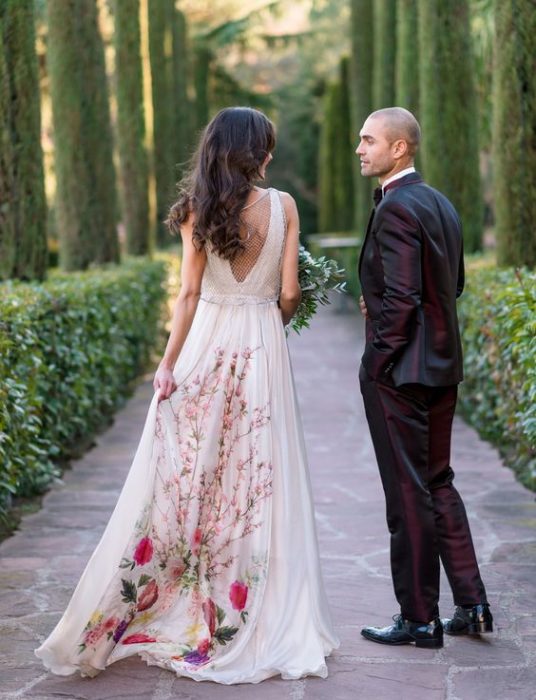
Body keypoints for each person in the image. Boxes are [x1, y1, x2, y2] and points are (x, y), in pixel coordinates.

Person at [35, 107, 338, 683]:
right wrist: (276, 314)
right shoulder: (285, 207)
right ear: (255, 152)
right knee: (258, 471)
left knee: (194, 472)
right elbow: (291, 291)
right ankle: (260, 607)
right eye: (267, 146)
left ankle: (179, 592)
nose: (270, 155)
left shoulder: (197, 211)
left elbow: (188, 295)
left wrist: (167, 366)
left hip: (209, 342)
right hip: (262, 349)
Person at [356, 107, 492, 648]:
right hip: (441, 367)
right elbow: (450, 286)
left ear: (400, 149)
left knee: (407, 493)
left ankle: (419, 618)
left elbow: (405, 299)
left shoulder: (395, 208)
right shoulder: (440, 203)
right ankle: (473, 605)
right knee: (438, 481)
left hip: (402, 374)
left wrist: (377, 362)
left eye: (369, 141)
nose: (361, 149)